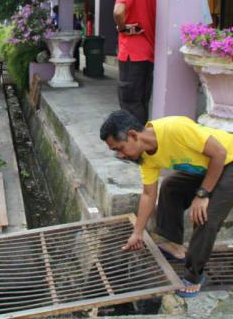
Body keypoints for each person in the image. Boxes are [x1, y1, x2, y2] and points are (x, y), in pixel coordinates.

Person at [100, 110, 233, 298]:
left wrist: (203, 195)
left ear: (132, 135)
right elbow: (148, 194)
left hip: (229, 160)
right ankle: (174, 245)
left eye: (119, 148)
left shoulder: (174, 129)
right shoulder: (145, 156)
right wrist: (137, 233)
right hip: (207, 167)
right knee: (171, 187)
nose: (120, 155)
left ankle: (194, 276)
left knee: (206, 216)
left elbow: (219, 153)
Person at [113, 0, 156, 125]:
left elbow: (118, 11)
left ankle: (132, 149)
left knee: (129, 102)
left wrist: (122, 27)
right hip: (149, 53)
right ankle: (140, 145)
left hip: (131, 54)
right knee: (142, 101)